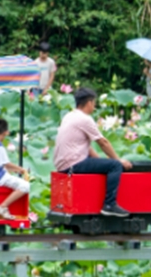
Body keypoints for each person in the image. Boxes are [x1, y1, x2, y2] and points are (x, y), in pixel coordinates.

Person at [52, 86, 133, 217]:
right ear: (89, 103)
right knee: (115, 165)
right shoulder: (84, 119)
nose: (94, 107)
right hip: (74, 164)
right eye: (94, 103)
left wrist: (99, 160)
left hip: (64, 164)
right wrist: (118, 160)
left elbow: (84, 146)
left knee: (107, 163)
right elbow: (103, 142)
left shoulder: (69, 116)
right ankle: (109, 205)